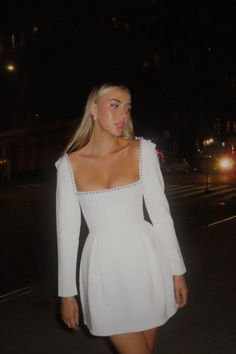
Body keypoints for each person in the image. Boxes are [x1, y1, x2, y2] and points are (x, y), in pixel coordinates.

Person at [55, 83, 188, 354]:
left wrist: (178, 272)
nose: (122, 115)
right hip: (104, 271)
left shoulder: (142, 151)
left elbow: (162, 216)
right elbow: (66, 233)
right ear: (93, 110)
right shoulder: (69, 165)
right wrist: (66, 293)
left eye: (127, 108)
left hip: (148, 261)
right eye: (114, 106)